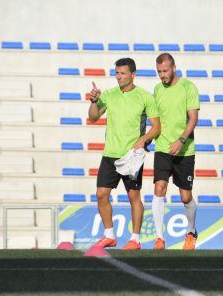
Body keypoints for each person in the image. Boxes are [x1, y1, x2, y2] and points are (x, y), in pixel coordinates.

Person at [88, 58, 160, 250]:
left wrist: (142, 141)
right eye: (117, 73)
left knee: (133, 196)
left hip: (132, 156)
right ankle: (109, 235)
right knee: (101, 194)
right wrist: (94, 101)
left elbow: (156, 127)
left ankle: (135, 239)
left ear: (133, 74)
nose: (118, 77)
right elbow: (93, 117)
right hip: (110, 153)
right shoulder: (109, 95)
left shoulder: (145, 97)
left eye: (122, 73)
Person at [151, 53, 200, 250]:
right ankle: (160, 238)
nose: (162, 75)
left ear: (173, 68)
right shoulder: (157, 89)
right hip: (162, 147)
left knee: (185, 197)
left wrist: (181, 140)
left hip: (184, 150)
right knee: (159, 189)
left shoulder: (188, 87)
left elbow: (193, 119)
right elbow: (156, 118)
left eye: (165, 71)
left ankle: (191, 231)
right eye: (159, 72)